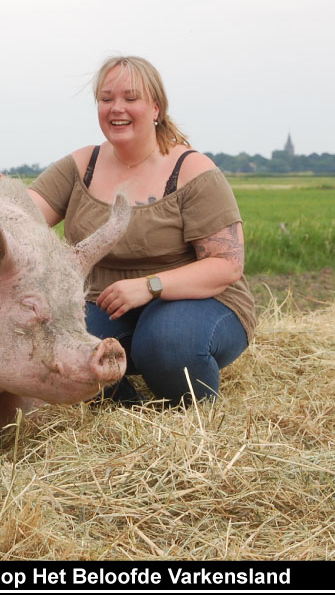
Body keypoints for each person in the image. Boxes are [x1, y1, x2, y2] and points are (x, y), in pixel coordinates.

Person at [26, 55, 255, 406]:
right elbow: (22, 216)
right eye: (106, 99)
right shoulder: (81, 166)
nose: (116, 108)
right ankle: (122, 405)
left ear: (155, 109)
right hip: (103, 302)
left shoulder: (191, 169)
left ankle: (191, 418)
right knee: (54, 347)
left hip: (198, 301)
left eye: (131, 98)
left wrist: (149, 287)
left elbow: (226, 265)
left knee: (165, 344)